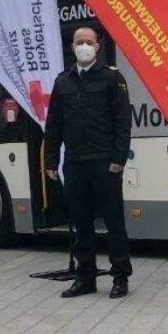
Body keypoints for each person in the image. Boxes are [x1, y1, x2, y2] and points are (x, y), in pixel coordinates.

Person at [44, 27, 133, 299]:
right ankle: (85, 278)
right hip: (75, 163)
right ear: (72, 47)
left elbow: (123, 122)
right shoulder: (63, 81)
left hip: (105, 163)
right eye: (79, 42)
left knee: (114, 222)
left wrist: (119, 159)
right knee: (81, 224)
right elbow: (54, 125)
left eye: (89, 42)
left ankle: (120, 277)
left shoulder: (112, 78)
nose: (84, 46)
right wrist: (51, 160)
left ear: (97, 46)